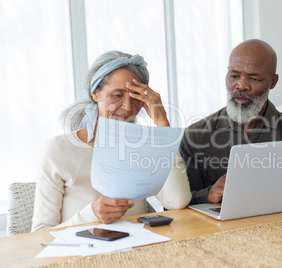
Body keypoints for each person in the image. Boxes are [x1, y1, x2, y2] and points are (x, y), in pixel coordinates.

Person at [32, 51, 191, 232]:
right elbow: (39, 235)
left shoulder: (144, 145)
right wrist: (91, 214)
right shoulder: (57, 150)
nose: (128, 107)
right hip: (82, 257)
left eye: (136, 97)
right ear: (95, 94)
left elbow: (177, 201)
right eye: (117, 95)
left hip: (138, 252)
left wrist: (163, 126)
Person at [179, 39, 282, 205]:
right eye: (234, 76)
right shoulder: (194, 137)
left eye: (254, 78)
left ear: (273, 82)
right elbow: (175, 206)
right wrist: (208, 194)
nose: (241, 85)